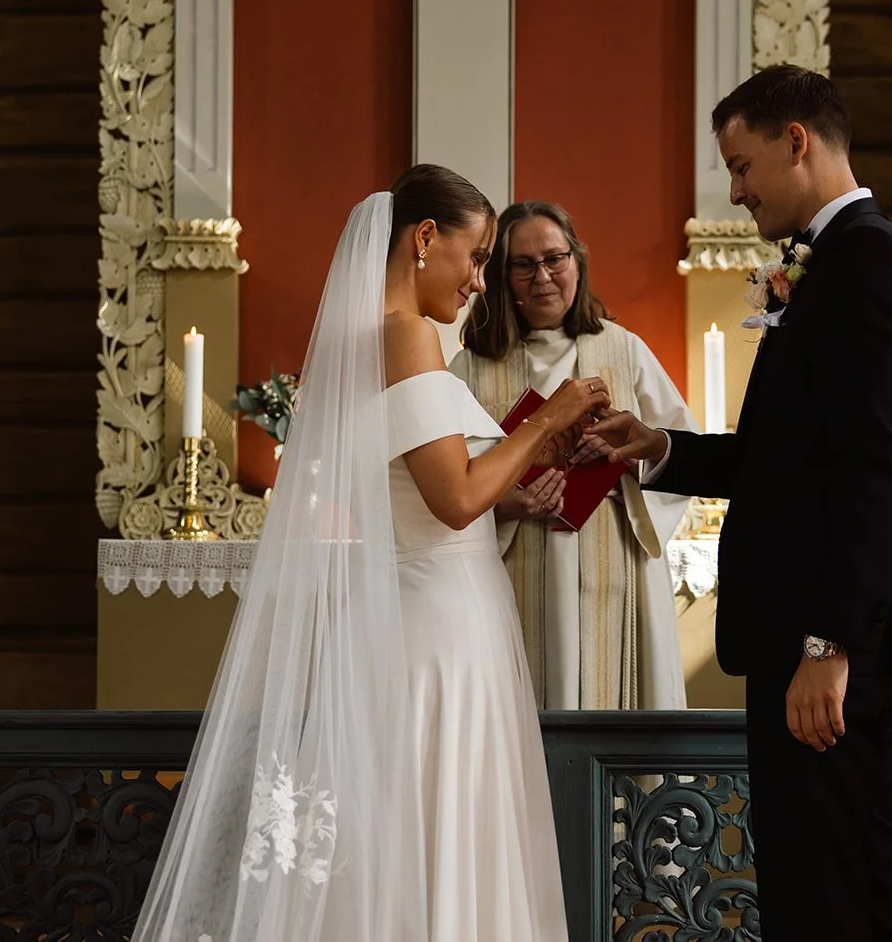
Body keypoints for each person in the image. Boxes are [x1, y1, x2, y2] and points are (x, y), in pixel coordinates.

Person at [129, 164, 609, 942]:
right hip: (439, 635)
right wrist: (547, 420)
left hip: (423, 615)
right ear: (425, 238)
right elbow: (453, 498)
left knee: (405, 837)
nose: (481, 281)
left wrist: (514, 492)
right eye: (478, 255)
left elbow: (419, 496)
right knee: (440, 830)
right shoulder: (406, 334)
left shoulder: (365, 343)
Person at [588, 66, 892, 941]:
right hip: (811, 637)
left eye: (742, 167)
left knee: (835, 890)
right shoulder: (830, 263)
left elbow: (877, 467)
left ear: (798, 140)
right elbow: (792, 459)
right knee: (835, 880)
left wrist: (830, 642)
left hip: (827, 644)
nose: (737, 191)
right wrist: (662, 448)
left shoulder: (870, 260)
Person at [451, 200, 697, 710]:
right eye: (523, 264)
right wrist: (506, 503)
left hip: (615, 565)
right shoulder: (471, 368)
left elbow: (678, 452)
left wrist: (625, 454)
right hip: (514, 568)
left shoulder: (624, 349)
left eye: (554, 259)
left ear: (577, 263)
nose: (542, 276)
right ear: (501, 276)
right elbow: (448, 486)